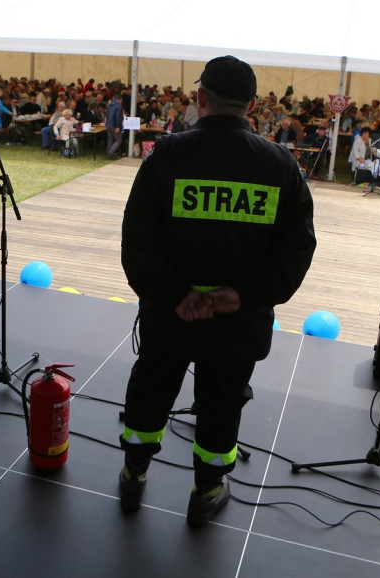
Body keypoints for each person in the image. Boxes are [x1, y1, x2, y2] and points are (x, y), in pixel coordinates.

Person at [117, 55, 316, 526]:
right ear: (252, 105)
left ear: (201, 98)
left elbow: (137, 238)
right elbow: (297, 247)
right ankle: (207, 490)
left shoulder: (166, 155)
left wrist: (175, 294)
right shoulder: (279, 164)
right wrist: (245, 294)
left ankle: (133, 474)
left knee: (152, 388)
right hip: (236, 320)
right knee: (222, 401)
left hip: (171, 314)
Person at [106, 92, 124, 159]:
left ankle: (108, 153)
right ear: (120, 100)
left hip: (108, 124)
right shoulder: (119, 106)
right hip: (114, 125)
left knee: (110, 139)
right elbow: (117, 117)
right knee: (119, 140)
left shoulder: (110, 105)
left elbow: (107, 114)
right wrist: (118, 126)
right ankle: (111, 153)